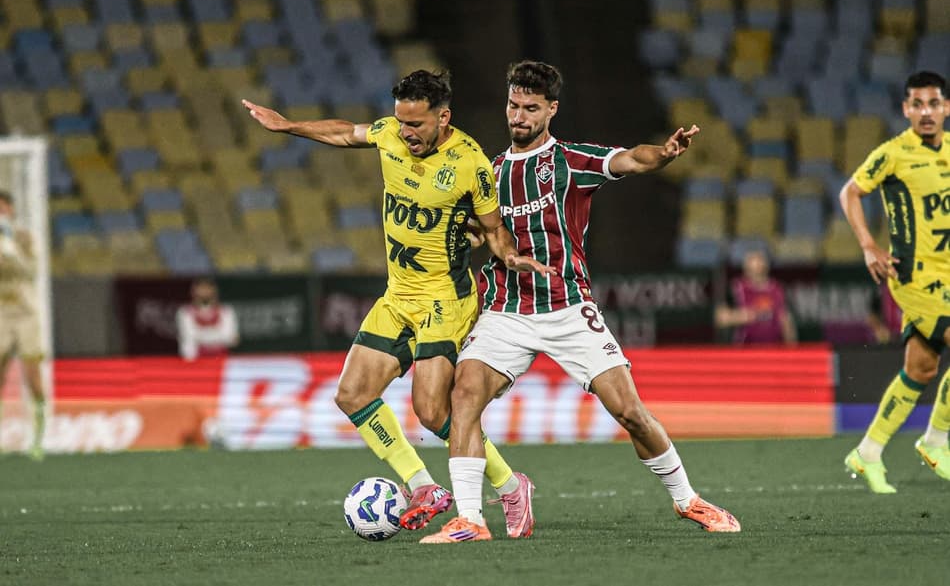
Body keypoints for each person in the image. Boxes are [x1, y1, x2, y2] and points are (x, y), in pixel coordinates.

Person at [420, 60, 740, 543]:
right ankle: (470, 519)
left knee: (629, 412)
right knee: (464, 396)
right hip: (507, 309)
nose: (519, 116)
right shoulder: (490, 172)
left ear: (552, 109)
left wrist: (664, 153)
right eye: (513, 105)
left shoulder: (570, 161)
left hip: (568, 307)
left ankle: (687, 499)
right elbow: (480, 229)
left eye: (531, 108)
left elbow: (630, 160)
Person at [242, 70, 554, 530]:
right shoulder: (389, 134)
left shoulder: (470, 163)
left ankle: (510, 487)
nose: (405, 132)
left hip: (444, 300)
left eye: (416, 124)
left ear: (442, 118)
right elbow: (345, 133)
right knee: (352, 394)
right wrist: (287, 125)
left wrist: (509, 255)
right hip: (399, 295)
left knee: (432, 412)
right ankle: (422, 484)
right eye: (401, 122)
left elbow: (492, 228)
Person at [841, 70, 950, 492]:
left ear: (946, 107)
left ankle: (867, 452)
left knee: (921, 368)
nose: (926, 112)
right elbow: (850, 192)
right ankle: (936, 440)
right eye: (917, 104)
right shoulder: (893, 153)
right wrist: (869, 245)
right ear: (906, 109)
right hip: (913, 275)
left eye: (933, 103)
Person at [0, 190, 46, 460]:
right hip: (1, 314)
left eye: (3, 208)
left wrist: (11, 251)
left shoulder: (25, 237)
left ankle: (38, 438)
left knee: (32, 375)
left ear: (12, 210)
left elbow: (32, 271)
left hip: (26, 313)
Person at [714, 249, 796, 345]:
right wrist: (743, 316)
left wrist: (791, 347)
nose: (756, 268)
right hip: (745, 349)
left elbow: (786, 321)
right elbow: (720, 318)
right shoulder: (736, 288)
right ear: (745, 268)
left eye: (759, 263)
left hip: (774, 349)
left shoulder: (777, 289)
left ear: (766, 266)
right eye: (751, 266)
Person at [175, 277, 240, 361]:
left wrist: (199, 336)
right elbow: (188, 337)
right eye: (201, 288)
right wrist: (218, 335)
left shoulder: (226, 311)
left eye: (208, 288)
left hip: (221, 361)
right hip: (193, 361)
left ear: (214, 290)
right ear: (193, 291)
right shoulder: (184, 312)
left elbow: (231, 339)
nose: (204, 291)